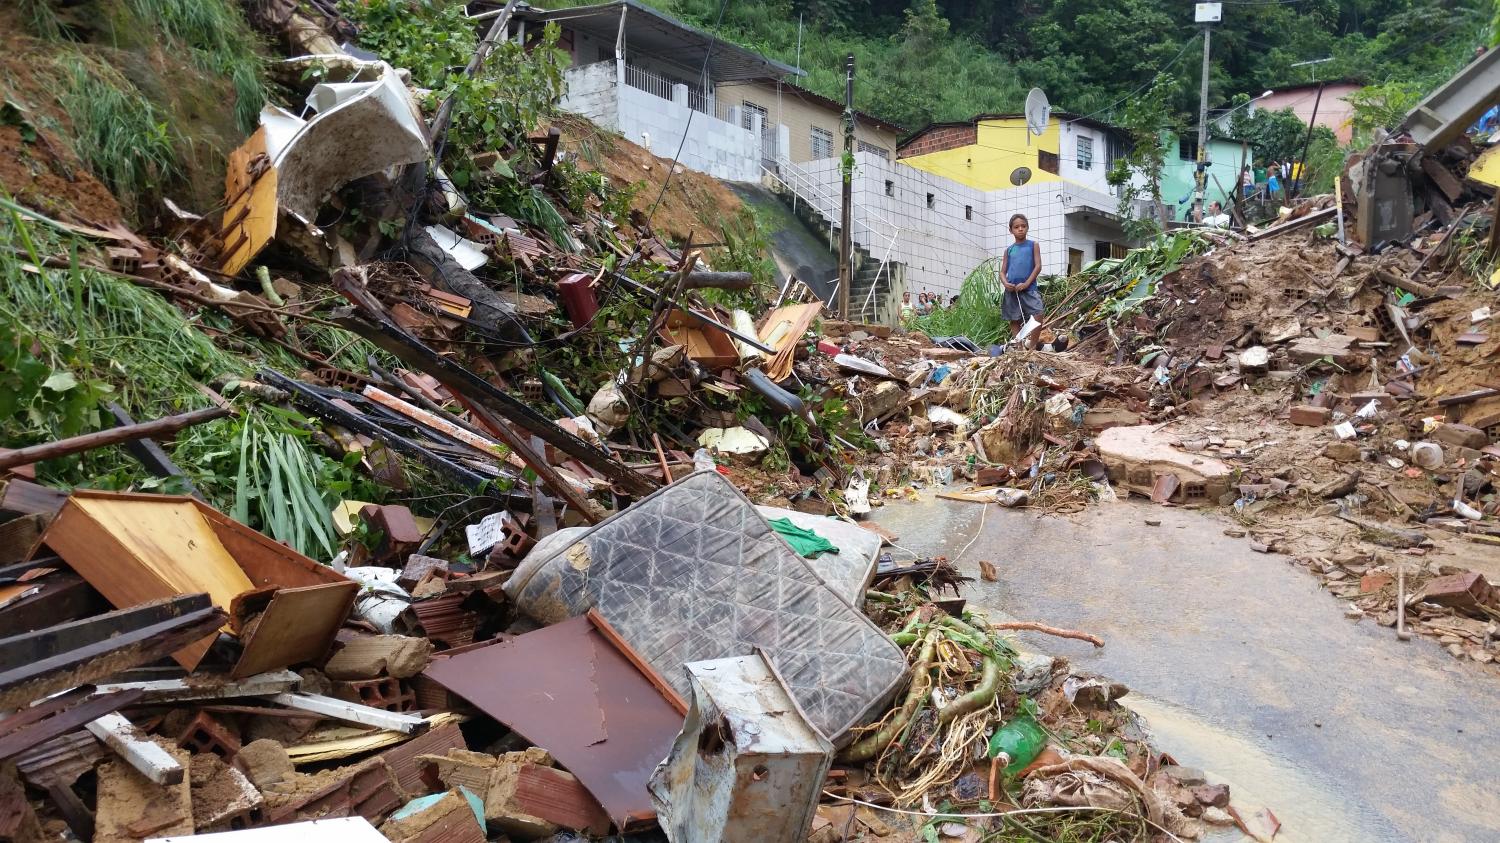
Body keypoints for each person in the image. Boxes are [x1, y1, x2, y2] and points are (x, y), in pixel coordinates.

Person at [999, 213, 1043, 347]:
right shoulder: (1009, 250)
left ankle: (1032, 346)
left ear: (1027, 228)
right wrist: (1006, 283)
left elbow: (1038, 266)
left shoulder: (1033, 245)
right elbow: (1002, 272)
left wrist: (1027, 283)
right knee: (1014, 319)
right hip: (1012, 290)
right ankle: (1019, 347)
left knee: (1038, 314)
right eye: (1016, 227)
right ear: (1010, 230)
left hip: (1029, 289)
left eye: (1023, 226)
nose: (1020, 229)